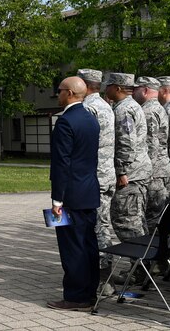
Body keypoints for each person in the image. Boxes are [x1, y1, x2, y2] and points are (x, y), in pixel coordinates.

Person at [47, 76, 100, 311]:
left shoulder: (66, 122)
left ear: (68, 93)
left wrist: (57, 199)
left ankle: (76, 297)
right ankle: (89, 292)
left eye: (58, 90)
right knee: (88, 245)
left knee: (72, 248)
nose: (56, 94)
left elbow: (62, 164)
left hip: (71, 195)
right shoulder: (91, 119)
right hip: (89, 191)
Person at [105, 72, 151, 241]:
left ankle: (141, 263)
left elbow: (127, 142)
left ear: (117, 88)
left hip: (131, 175)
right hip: (137, 172)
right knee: (136, 219)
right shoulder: (131, 105)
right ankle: (144, 263)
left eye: (108, 86)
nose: (105, 89)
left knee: (126, 221)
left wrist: (122, 171)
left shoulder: (124, 109)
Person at [77, 69, 115, 268]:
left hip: (94, 178)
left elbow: (82, 145)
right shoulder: (105, 106)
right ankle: (105, 271)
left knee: (96, 227)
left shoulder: (87, 108)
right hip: (107, 175)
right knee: (103, 224)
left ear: (83, 84)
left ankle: (102, 277)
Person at [133, 77, 170, 232]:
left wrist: (148, 171)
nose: (133, 92)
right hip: (161, 169)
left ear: (146, 90)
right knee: (157, 216)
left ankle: (152, 253)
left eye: (136, 89)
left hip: (154, 173)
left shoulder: (148, 111)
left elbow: (151, 144)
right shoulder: (160, 108)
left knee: (152, 218)